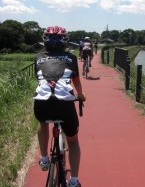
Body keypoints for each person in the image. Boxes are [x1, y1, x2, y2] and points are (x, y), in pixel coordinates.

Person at [33, 26, 85, 187]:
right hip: (65, 106)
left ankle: (43, 159)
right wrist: (81, 96)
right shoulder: (71, 57)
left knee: (42, 122)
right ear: (65, 41)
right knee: (74, 142)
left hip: (42, 104)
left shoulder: (38, 57)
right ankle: (74, 181)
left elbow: (40, 78)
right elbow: (76, 81)